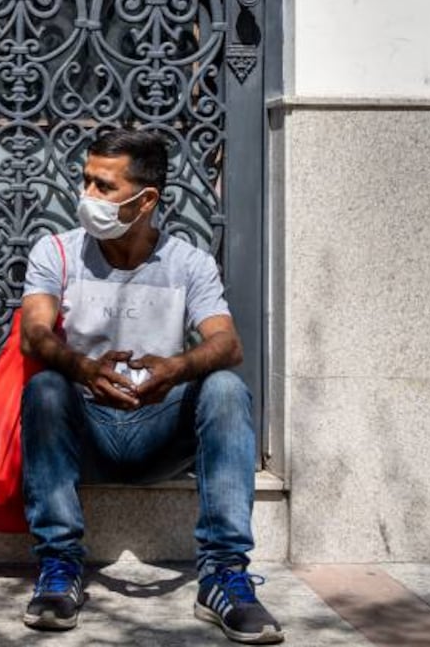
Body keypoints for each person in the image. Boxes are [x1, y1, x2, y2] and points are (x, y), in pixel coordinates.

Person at [16, 127, 283, 644]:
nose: (87, 196)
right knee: (46, 388)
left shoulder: (190, 263)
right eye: (86, 180)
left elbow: (228, 345)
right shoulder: (57, 252)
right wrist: (84, 370)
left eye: (104, 186)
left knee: (225, 388)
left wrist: (175, 369)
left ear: (146, 200)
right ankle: (59, 569)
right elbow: (33, 334)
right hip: (87, 427)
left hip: (158, 429)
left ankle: (224, 576)